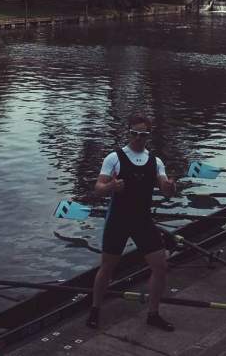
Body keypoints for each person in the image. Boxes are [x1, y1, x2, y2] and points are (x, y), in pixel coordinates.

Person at [87, 114, 177, 331]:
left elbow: (166, 190)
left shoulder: (155, 161)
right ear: (128, 132)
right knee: (107, 268)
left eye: (143, 134)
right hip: (118, 220)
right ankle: (95, 310)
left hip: (142, 220)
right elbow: (98, 189)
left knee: (161, 267)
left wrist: (171, 188)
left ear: (148, 135)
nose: (138, 138)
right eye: (134, 133)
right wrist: (110, 187)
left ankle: (153, 314)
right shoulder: (114, 158)